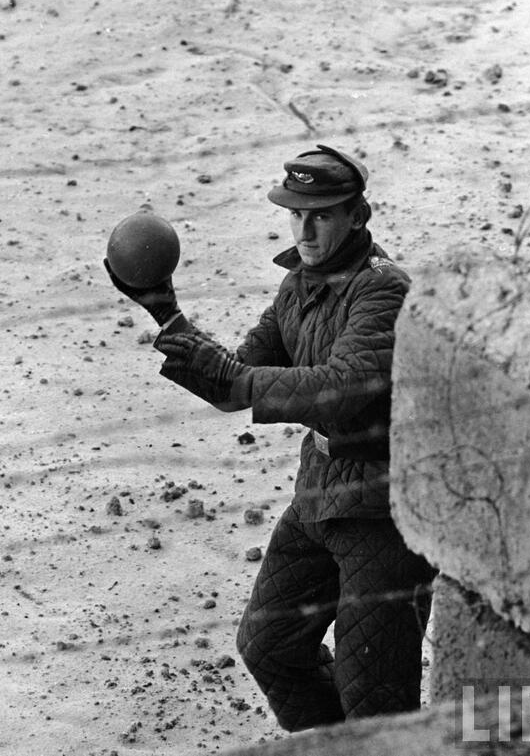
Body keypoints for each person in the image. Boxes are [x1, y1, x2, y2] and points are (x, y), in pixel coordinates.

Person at [105, 144, 435, 732]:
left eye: (322, 215)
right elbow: (236, 382)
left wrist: (235, 374)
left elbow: (346, 386)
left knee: (376, 694)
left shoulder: (384, 291)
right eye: (295, 213)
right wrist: (166, 314)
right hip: (319, 495)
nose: (305, 229)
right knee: (269, 647)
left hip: (384, 514)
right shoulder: (298, 286)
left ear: (358, 215)